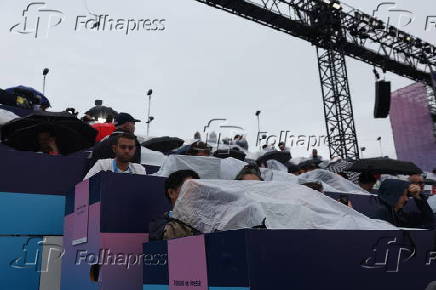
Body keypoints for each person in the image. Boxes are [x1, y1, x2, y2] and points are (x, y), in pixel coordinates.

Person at [149, 170, 200, 240]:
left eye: (197, 190)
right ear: (171, 193)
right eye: (189, 188)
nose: (194, 194)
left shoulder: (206, 221)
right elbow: (175, 241)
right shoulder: (159, 223)